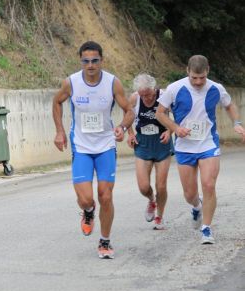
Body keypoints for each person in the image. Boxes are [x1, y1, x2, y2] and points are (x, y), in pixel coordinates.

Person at [52, 41, 134, 259]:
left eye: (94, 61)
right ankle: (88, 212)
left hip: (106, 145)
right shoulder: (71, 82)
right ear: (81, 61)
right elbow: (57, 102)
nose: (90, 65)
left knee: (105, 196)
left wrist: (123, 127)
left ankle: (105, 242)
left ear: (101, 61)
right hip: (81, 146)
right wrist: (60, 131)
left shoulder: (112, 83)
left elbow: (129, 110)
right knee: (87, 199)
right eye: (86, 61)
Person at [155, 55, 245, 244]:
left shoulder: (216, 88)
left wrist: (236, 122)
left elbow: (230, 105)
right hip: (185, 147)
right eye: (194, 78)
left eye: (202, 78)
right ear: (187, 71)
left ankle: (206, 228)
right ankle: (196, 206)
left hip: (208, 144)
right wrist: (175, 128)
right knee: (189, 194)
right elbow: (160, 113)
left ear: (208, 71)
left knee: (209, 185)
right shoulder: (174, 88)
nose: (198, 82)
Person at [127, 73, 174, 230]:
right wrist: (131, 133)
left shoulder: (165, 96)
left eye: (148, 94)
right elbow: (127, 114)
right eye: (142, 95)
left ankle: (159, 217)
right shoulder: (135, 98)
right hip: (143, 143)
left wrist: (170, 131)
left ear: (154, 89)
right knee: (143, 186)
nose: (146, 98)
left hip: (162, 142)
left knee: (161, 185)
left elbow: (180, 115)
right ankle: (151, 200)